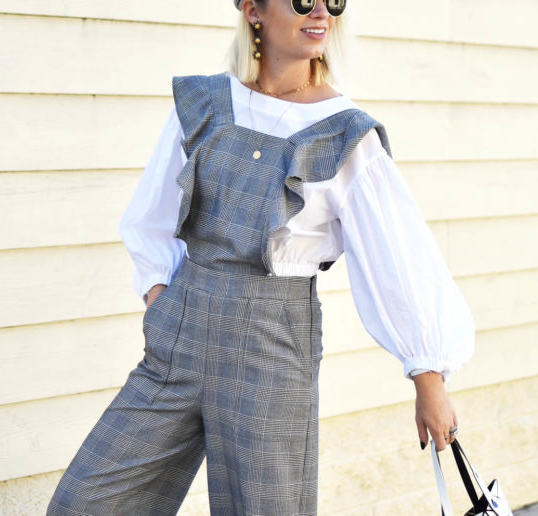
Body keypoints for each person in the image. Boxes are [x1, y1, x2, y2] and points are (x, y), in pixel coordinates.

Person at [47, 0, 475, 514]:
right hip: (181, 331)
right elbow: (151, 215)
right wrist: (162, 302)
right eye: (301, 0)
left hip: (273, 342)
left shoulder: (344, 131)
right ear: (253, 9)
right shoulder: (204, 102)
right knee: (86, 501)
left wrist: (428, 376)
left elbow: (399, 257)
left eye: (333, 0)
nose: (320, 11)